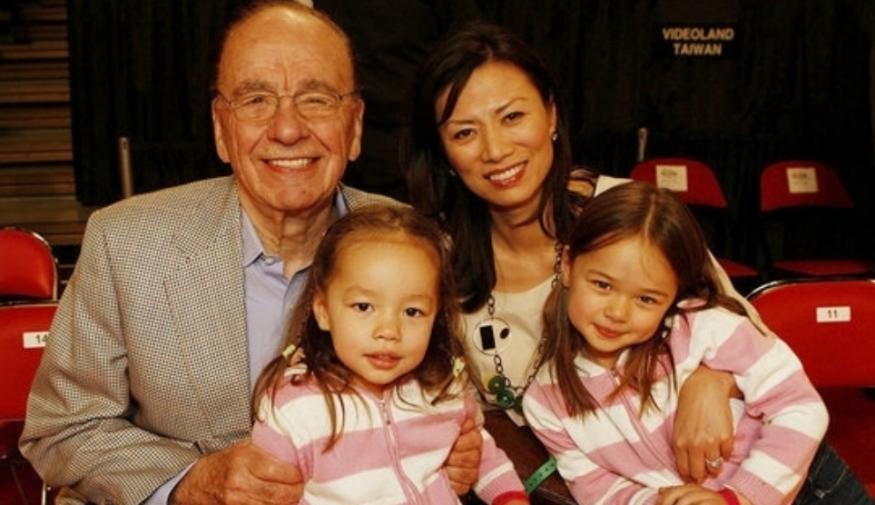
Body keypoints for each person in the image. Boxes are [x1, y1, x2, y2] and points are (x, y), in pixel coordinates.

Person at [19, 2, 481, 504]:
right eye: (256, 100)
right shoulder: (126, 243)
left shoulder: (415, 245)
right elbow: (63, 428)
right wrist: (190, 481)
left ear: (355, 126)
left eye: (317, 99)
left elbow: (449, 391)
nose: (287, 129)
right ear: (222, 129)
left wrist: (452, 448)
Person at [404, 21, 742, 481]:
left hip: (715, 476)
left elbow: (750, 337)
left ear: (551, 115)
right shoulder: (433, 261)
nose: (496, 149)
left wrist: (713, 378)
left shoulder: (631, 214)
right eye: (465, 133)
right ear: (443, 153)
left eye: (512, 117)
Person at [522, 181, 871, 505]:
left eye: (646, 299)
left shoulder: (707, 327)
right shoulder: (545, 400)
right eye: (602, 285)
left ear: (674, 293)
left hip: (811, 489)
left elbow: (801, 407)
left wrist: (741, 497)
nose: (617, 312)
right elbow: (596, 488)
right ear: (567, 264)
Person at [250, 205, 529, 505]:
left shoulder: (443, 388)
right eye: (363, 307)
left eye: (413, 312)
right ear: (323, 311)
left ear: (436, 316)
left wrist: (510, 498)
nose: (389, 330)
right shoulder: (293, 407)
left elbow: (482, 453)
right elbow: (266, 496)